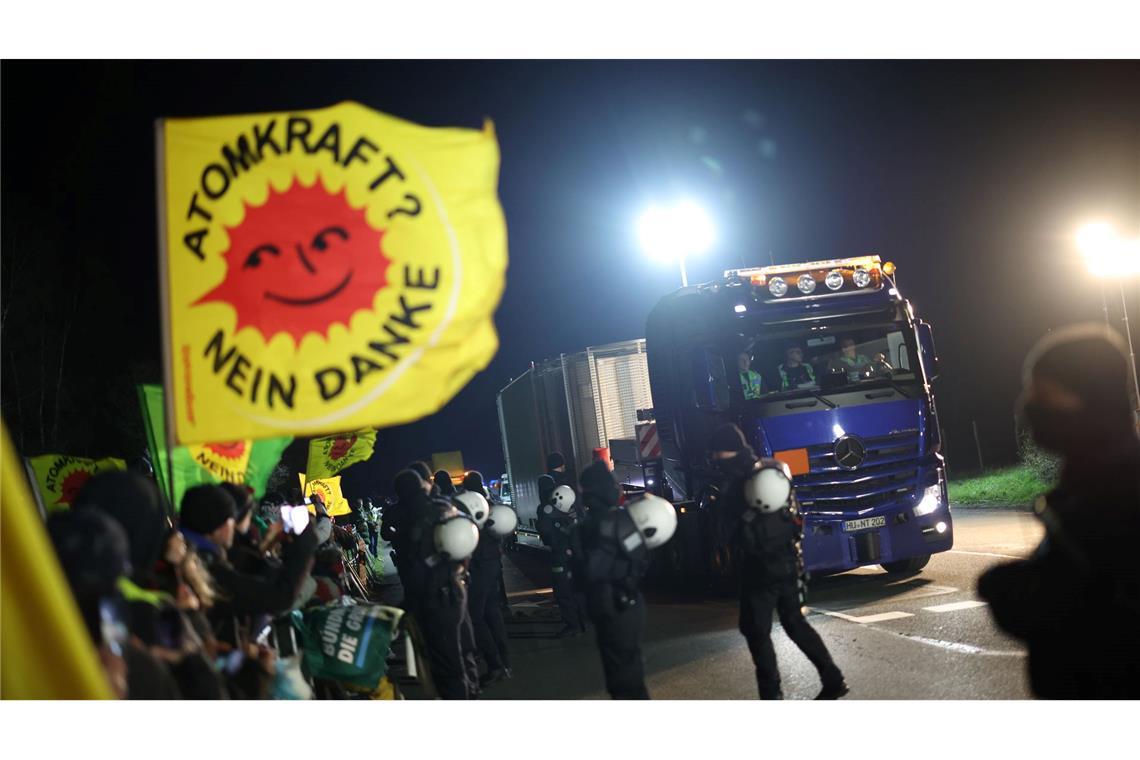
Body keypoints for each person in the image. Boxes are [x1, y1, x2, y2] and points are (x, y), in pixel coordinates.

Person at [978, 324, 1140, 698]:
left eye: (1042, 394)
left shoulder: (1111, 490)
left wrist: (1006, 588)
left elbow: (1077, 607)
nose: (1027, 407)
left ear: (1085, 398)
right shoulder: (1090, 480)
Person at [707, 423, 848, 699]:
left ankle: (772, 697)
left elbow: (727, 531)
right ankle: (833, 678)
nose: (713, 459)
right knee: (795, 622)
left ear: (726, 452)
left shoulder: (736, 485)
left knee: (756, 632)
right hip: (789, 561)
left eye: (716, 453)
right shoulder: (772, 470)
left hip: (759, 570)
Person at [396, 468, 480, 699]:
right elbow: (468, 538)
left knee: (446, 666)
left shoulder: (414, 519)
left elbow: (417, 569)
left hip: (436, 600)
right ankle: (471, 691)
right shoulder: (445, 507)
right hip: (457, 588)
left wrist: (408, 606)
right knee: (464, 650)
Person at [573, 461, 652, 699]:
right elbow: (643, 560)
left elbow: (581, 573)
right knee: (628, 677)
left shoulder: (581, 528)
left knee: (621, 680)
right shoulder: (621, 520)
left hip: (604, 606)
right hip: (624, 604)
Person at [458, 471, 512, 686]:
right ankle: (505, 662)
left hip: (479, 564)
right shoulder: (490, 503)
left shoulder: (466, 506)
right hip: (492, 563)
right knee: (492, 612)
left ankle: (495, 665)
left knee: (475, 615)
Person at [536, 474, 587, 637]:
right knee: (578, 589)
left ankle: (572, 625)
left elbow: (546, 535)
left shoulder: (547, 509)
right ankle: (582, 621)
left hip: (560, 555)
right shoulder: (573, 506)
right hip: (577, 555)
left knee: (563, 591)